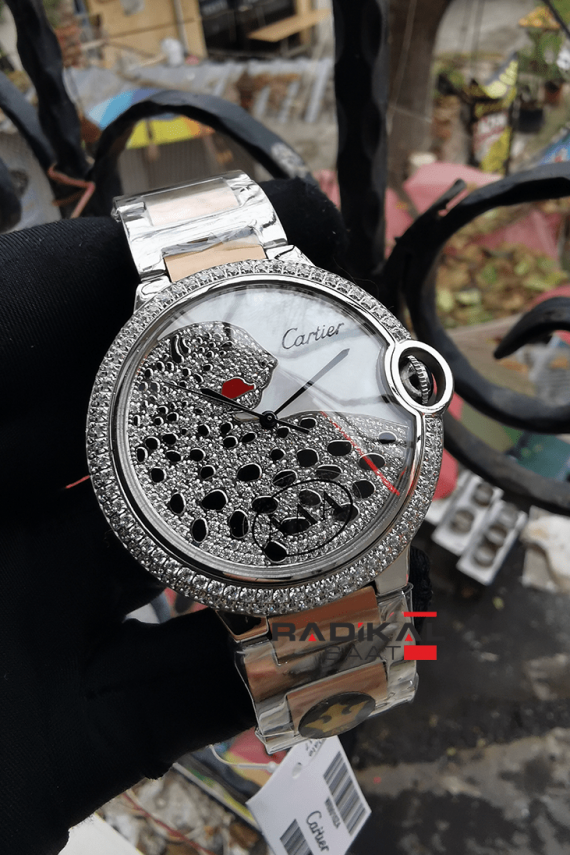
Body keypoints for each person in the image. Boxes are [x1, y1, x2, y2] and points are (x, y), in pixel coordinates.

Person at [0, 177, 430, 854]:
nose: (269, 409)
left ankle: (360, 676)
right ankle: (340, 685)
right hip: (235, 526)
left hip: (353, 511)